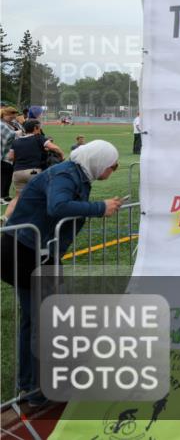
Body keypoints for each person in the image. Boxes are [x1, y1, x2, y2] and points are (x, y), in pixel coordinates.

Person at [0, 140, 122, 410]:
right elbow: (58, 207)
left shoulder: (73, 172)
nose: (113, 170)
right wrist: (100, 208)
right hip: (27, 251)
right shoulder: (66, 174)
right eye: (112, 165)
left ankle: (33, 385)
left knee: (37, 319)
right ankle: (38, 388)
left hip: (32, 250)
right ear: (99, 162)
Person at [7, 120, 63, 206]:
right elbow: (55, 148)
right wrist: (62, 155)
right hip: (33, 171)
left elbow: (10, 157)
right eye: (39, 127)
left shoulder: (16, 141)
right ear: (35, 128)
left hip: (17, 173)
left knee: (18, 197)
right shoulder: (38, 138)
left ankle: (5, 217)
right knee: (39, 195)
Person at [1, 107, 19, 202]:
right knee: (5, 175)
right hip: (4, 153)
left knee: (8, 176)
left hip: (10, 152)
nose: (13, 117)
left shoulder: (13, 123)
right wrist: (17, 133)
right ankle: (2, 196)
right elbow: (8, 135)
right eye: (11, 115)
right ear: (5, 115)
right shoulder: (2, 124)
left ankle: (5, 195)